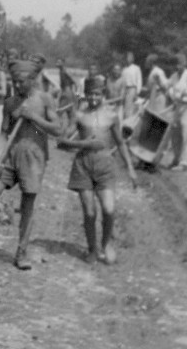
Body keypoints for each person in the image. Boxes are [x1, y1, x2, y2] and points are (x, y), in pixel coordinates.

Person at [57, 75, 137, 265]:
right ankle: (92, 248)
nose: (93, 98)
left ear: (103, 94)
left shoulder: (112, 115)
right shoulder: (79, 116)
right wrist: (84, 142)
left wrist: (131, 169)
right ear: (85, 95)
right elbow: (61, 142)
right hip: (83, 165)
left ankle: (106, 243)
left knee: (109, 209)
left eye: (97, 94)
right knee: (90, 213)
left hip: (105, 166)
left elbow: (120, 143)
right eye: (90, 95)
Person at [0, 58, 63, 270]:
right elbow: (4, 134)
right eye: (14, 82)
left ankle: (21, 252)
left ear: (32, 80)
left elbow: (58, 129)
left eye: (21, 82)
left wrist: (32, 117)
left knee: (27, 204)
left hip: (34, 158)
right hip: (10, 156)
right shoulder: (10, 102)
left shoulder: (44, 99)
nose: (17, 86)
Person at [167, 53, 187, 170]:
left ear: (185, 64)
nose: (177, 66)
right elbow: (166, 86)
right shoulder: (174, 76)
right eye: (176, 64)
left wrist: (185, 94)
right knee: (175, 134)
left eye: (180, 64)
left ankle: (185, 162)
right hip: (177, 107)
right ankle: (176, 158)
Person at [121, 51, 143, 119]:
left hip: (132, 89)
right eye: (127, 57)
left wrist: (137, 92)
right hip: (124, 89)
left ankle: (129, 122)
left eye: (129, 57)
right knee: (123, 107)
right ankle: (124, 121)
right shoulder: (124, 69)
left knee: (130, 108)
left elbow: (139, 81)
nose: (128, 59)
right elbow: (122, 81)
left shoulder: (136, 68)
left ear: (132, 59)